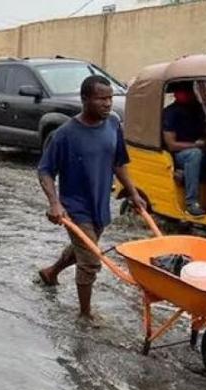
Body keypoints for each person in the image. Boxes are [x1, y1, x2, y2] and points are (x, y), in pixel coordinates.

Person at [37, 75, 146, 322]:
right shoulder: (65, 135)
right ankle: (85, 314)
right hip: (76, 208)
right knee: (91, 261)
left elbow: (118, 163)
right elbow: (44, 170)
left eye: (110, 98)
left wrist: (134, 193)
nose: (107, 104)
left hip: (100, 205)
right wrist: (55, 203)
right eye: (101, 99)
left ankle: (51, 272)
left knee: (86, 247)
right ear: (85, 99)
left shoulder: (113, 125)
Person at [162, 83, 206, 217]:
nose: (186, 93)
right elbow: (171, 145)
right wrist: (196, 145)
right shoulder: (170, 113)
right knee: (194, 155)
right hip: (177, 155)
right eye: (182, 90)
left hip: (199, 150)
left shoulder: (199, 110)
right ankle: (191, 203)